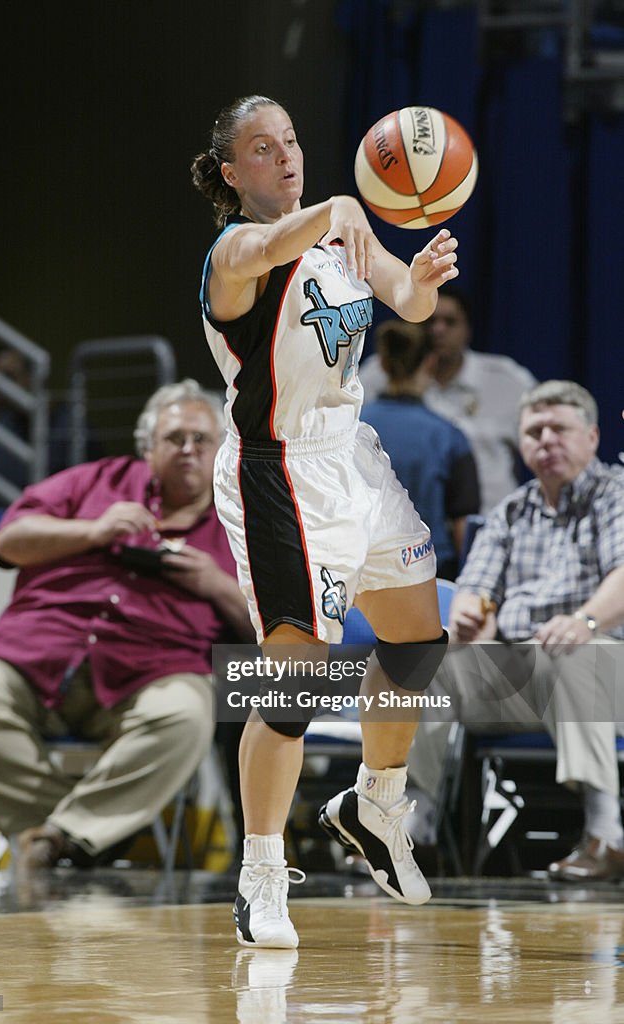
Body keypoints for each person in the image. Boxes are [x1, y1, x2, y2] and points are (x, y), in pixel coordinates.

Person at [191, 94, 458, 949]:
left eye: (293, 142)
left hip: (353, 453)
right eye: (264, 150)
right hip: (279, 469)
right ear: (234, 174)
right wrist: (335, 208)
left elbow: (405, 307)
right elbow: (272, 244)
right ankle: (261, 874)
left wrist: (414, 285)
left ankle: (375, 805)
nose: (287, 156)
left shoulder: (343, 233)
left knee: (417, 638)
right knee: (295, 679)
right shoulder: (236, 250)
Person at [0, 379, 253, 873]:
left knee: (185, 717)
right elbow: (9, 540)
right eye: (174, 439)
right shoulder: (94, 481)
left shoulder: (242, 518)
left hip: (154, 667)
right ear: (148, 448)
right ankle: (81, 836)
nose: (188, 450)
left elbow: (272, 625)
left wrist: (215, 583)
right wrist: (94, 530)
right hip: (36, 651)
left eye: (201, 439)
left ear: (222, 448)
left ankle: (57, 839)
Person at [405, 380, 624, 879]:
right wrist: (466, 614)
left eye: (559, 429)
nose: (546, 440)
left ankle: (606, 834)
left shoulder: (615, 496)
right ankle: (416, 829)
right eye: (534, 431)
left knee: (576, 652)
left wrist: (585, 621)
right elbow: (475, 589)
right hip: (527, 671)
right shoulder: (510, 511)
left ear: (591, 437)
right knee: (429, 664)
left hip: (607, 669)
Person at [361, 286, 536, 514]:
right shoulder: (381, 374)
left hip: (492, 525)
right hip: (399, 525)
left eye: (450, 322)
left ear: (468, 329)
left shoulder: (507, 381)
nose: (438, 330)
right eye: (429, 321)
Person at [361, 319, 480, 581]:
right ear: (430, 363)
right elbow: (463, 526)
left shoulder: (351, 427)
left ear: (382, 363)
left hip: (360, 571)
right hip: (429, 575)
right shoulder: (448, 437)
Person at [0, 346, 104, 506]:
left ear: (31, 377)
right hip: (8, 515)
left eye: (9, 377)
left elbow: (90, 485)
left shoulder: (70, 424)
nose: (1, 388)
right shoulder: (5, 422)